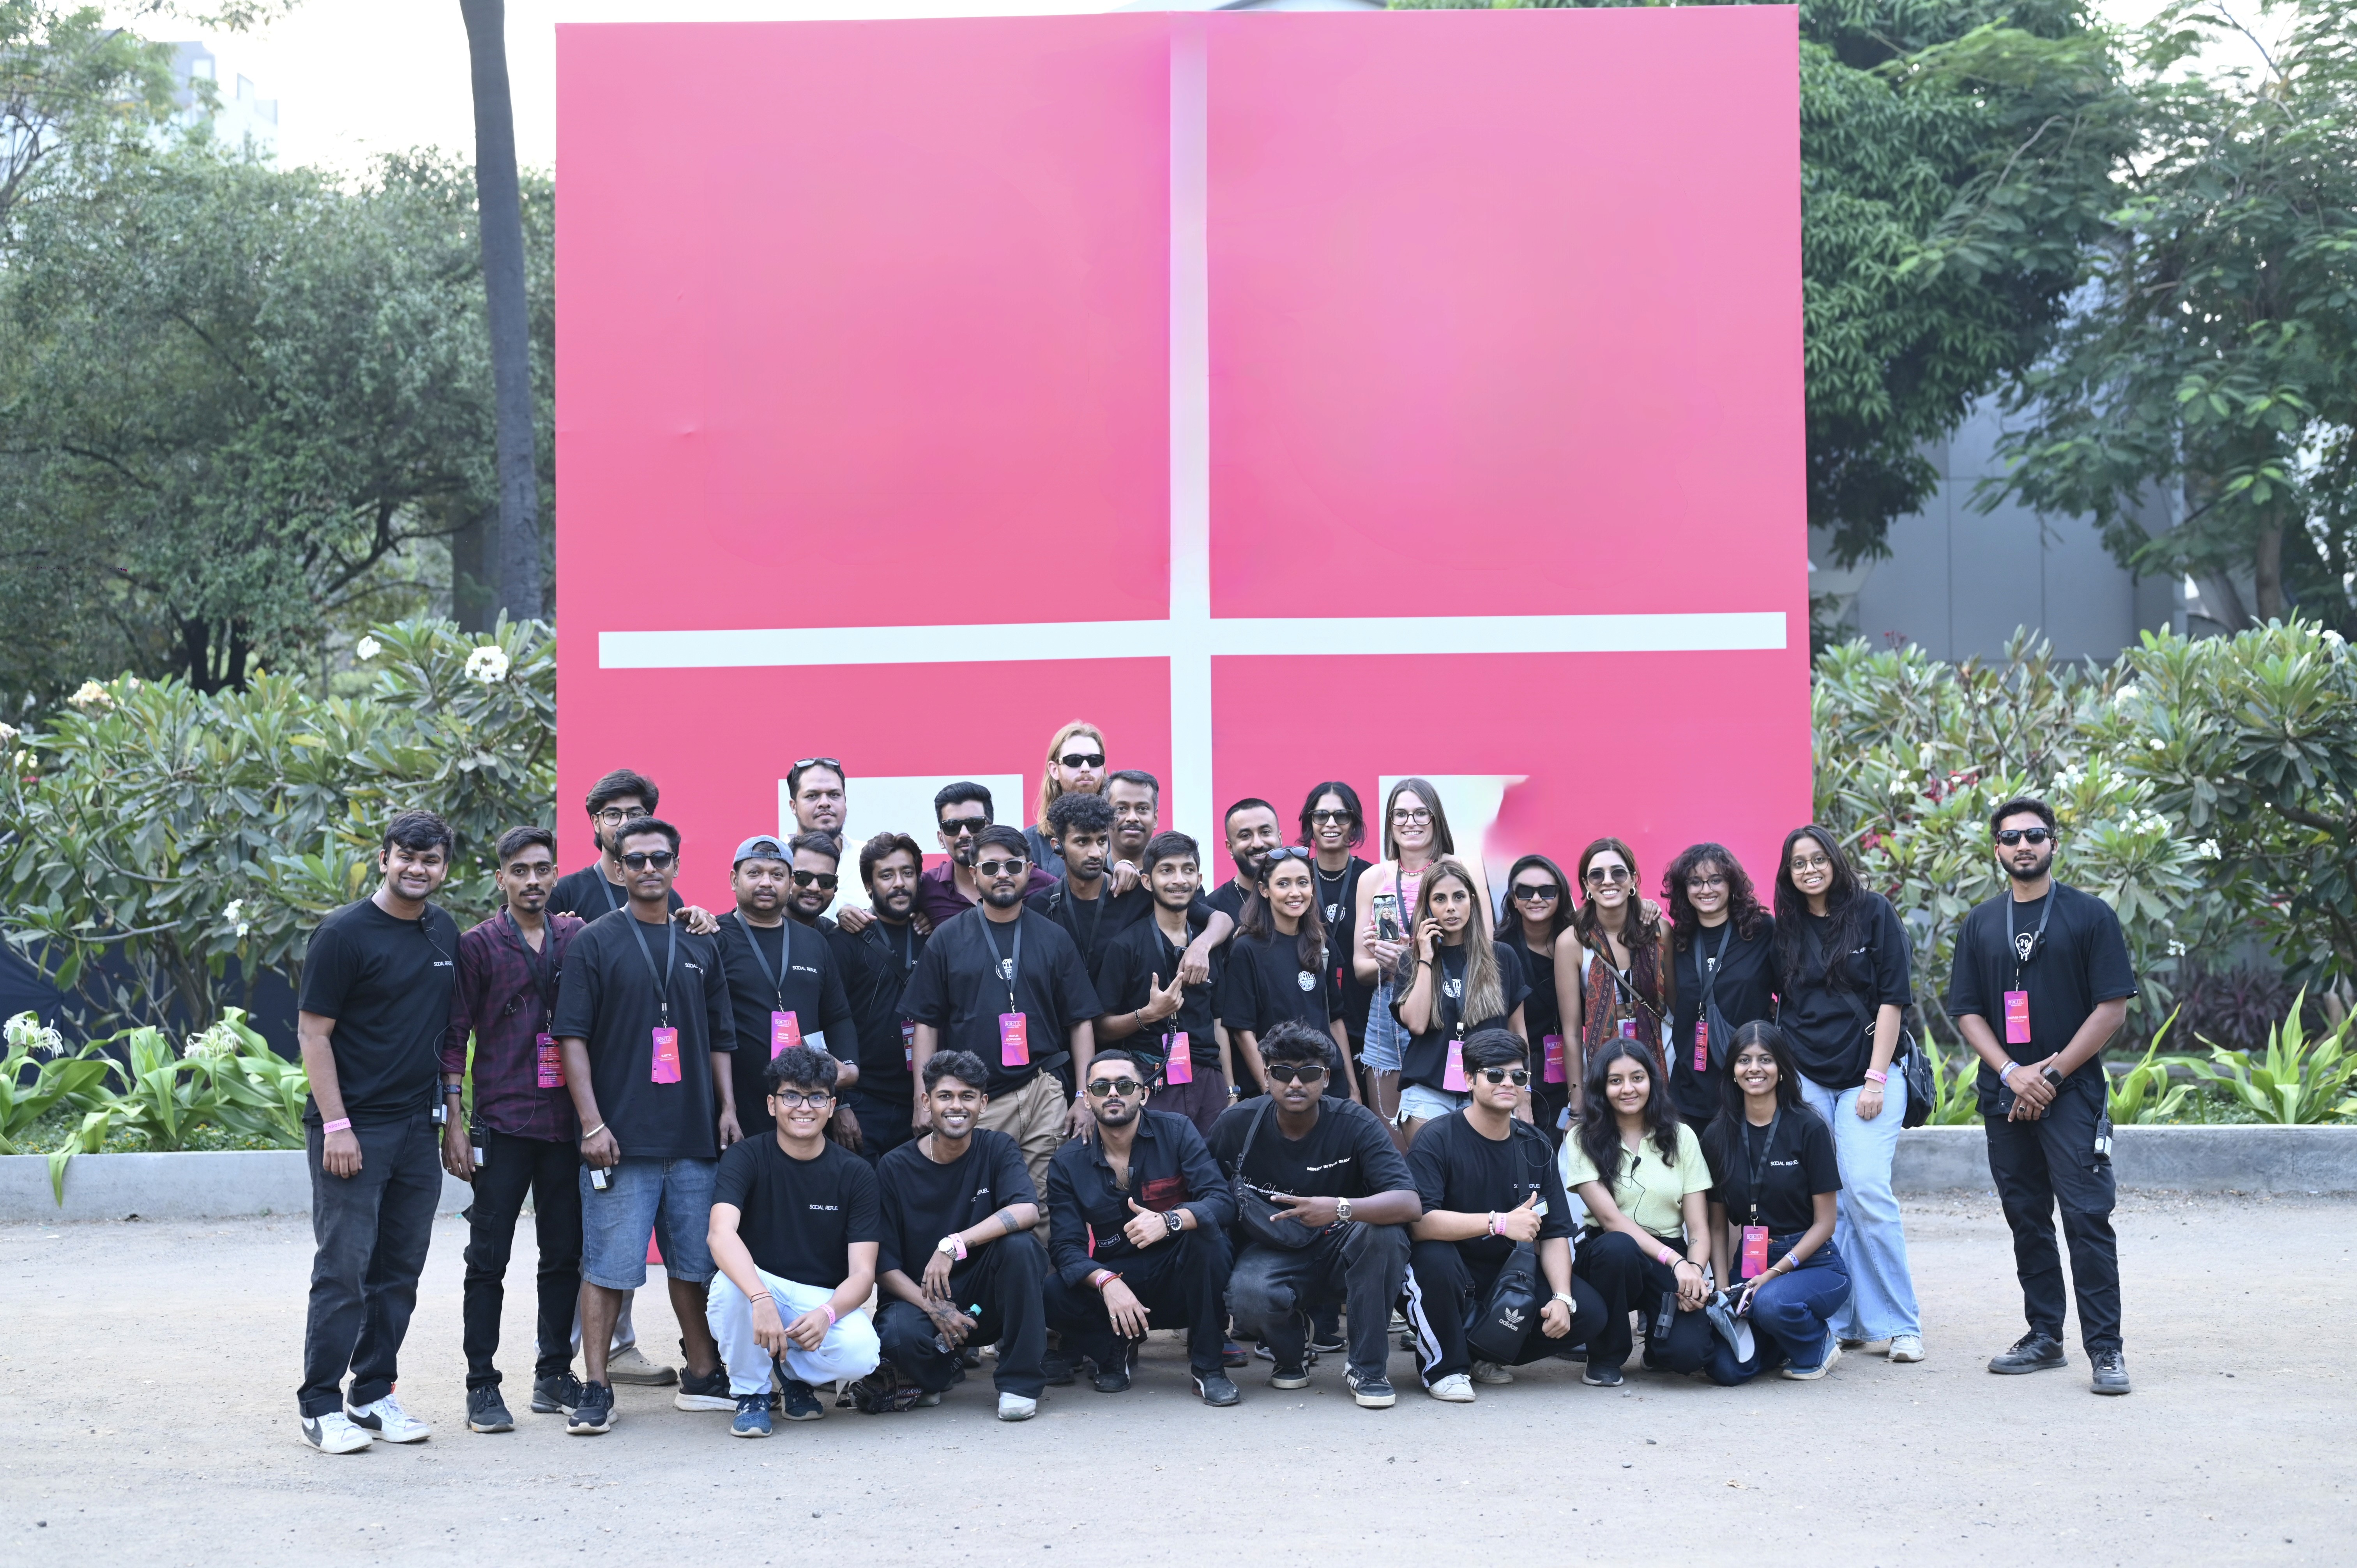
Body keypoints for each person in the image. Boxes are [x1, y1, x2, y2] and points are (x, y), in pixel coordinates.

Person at [551, 816, 742, 1436]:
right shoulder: (596, 942)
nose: (649, 869)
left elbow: (720, 1039)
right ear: (618, 866)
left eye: (660, 859)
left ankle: (705, 1373)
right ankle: (597, 1387)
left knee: (694, 1263)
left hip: (692, 1139)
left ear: (678, 865)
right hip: (620, 1142)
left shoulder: (700, 943)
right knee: (608, 1266)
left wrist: (728, 1109)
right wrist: (591, 1124)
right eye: (636, 860)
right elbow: (571, 1039)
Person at [1947, 796, 2134, 1395]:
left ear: (2054, 843)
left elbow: (2111, 1010)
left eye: (2034, 836)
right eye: (2011, 838)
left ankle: (2106, 1351)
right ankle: (2044, 1337)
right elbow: (1968, 1012)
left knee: (2085, 1218)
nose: (2023, 846)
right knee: (2027, 1218)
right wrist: (2011, 1074)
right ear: (1996, 850)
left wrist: (2049, 1078)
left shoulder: (2090, 916)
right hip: (2006, 1095)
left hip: (2072, 1092)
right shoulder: (1980, 923)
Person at [294, 810, 463, 1453]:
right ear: (385, 857)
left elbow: (448, 1033)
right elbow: (314, 1033)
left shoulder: (442, 929)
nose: (418, 868)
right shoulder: (343, 934)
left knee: (399, 1268)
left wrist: (451, 1117)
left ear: (444, 866)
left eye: (431, 859)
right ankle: (318, 1403)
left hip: (416, 1128)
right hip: (353, 1129)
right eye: (407, 856)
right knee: (343, 1266)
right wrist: (337, 1124)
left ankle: (371, 1393)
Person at [440, 826, 587, 1434]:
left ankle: (553, 1373)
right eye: (520, 871)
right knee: (488, 1259)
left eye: (543, 870)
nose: (533, 881)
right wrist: (455, 1121)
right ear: (500, 879)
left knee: (564, 1255)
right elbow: (453, 1037)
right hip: (501, 1123)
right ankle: (482, 1384)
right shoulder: (478, 946)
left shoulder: (577, 935)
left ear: (556, 875)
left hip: (565, 1125)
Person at [1209, 1020, 1420, 1408]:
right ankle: (1291, 1354)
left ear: (1325, 1078)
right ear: (1267, 1075)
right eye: (1282, 1072)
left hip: (1343, 1244)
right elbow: (1207, 1192)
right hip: (1274, 1246)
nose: (1295, 1084)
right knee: (1247, 1294)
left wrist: (1340, 1208)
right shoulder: (1237, 1125)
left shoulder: (1356, 1123)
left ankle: (1368, 1369)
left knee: (1385, 1233)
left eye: (1308, 1073)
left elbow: (1409, 1203)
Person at [1772, 823, 1924, 1363]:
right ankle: (1847, 1318)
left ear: (1835, 861)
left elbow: (1892, 999)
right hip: (1808, 1074)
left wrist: (1877, 1078)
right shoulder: (1785, 929)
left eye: (1817, 859)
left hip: (1870, 1073)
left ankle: (1903, 1323)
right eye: (1798, 863)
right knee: (1825, 1200)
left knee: (1864, 1189)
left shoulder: (1873, 912)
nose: (1809, 869)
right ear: (1788, 873)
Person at [901, 824, 1102, 1196]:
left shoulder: (1054, 937)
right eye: (991, 868)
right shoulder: (947, 938)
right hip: (976, 1096)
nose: (1003, 875)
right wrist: (923, 1099)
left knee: (1046, 1202)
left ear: (1029, 869)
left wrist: (1084, 1098)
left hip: (1044, 1089)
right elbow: (925, 1022)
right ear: (974, 874)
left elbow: (1080, 1021)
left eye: (1013, 865)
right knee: (980, 1200)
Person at [1402, 1029, 1602, 1402]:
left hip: (1508, 1275)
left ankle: (1483, 1353)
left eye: (1518, 1076)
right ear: (1469, 1079)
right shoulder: (1436, 1138)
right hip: (1448, 1270)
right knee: (1434, 1258)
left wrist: (1561, 1297)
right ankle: (1446, 1367)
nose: (1508, 1083)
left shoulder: (1534, 1142)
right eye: (1495, 1075)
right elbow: (1419, 1223)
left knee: (1588, 1312)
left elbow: (1556, 1230)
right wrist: (1499, 1222)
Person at [1042, 1051, 1241, 1405]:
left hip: (1181, 1276)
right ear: (1087, 1098)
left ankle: (1209, 1367)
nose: (1113, 1094)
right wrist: (1105, 1282)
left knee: (1209, 1240)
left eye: (1125, 1085)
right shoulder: (1067, 1163)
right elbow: (1066, 1248)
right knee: (1053, 1290)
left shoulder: (1177, 1131)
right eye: (1101, 1087)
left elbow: (1222, 1201)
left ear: (1144, 1094)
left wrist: (1170, 1221)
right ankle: (1113, 1351)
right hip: (1118, 1280)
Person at [705, 1047, 885, 1436]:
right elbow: (720, 1233)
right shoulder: (745, 1157)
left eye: (816, 1096)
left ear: (832, 1104)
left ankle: (788, 1373)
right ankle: (751, 1393)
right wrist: (760, 1297)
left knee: (863, 1353)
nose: (803, 1107)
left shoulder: (857, 1173)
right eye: (791, 1096)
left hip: (817, 1299)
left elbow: (863, 1274)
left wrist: (828, 1314)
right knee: (728, 1287)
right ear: (772, 1104)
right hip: (761, 1286)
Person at [871, 1050, 1051, 1421]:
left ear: (983, 1104)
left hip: (988, 1299)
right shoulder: (894, 1166)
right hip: (924, 1299)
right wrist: (934, 1308)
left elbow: (1027, 1211)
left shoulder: (997, 1148)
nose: (957, 1106)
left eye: (968, 1096)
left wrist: (955, 1244)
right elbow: (883, 1264)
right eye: (946, 1096)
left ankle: (1019, 1383)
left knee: (1022, 1248)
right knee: (895, 1335)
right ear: (927, 1102)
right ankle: (940, 1372)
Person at [1697, 1022, 1850, 1384]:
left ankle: (1818, 1341)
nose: (1755, 1069)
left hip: (1812, 1263)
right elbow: (1718, 1224)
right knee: (1725, 1370)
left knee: (1770, 1303)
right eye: (1745, 1060)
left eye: (1765, 1059)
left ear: (1781, 1067)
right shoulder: (1717, 1135)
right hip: (1749, 1266)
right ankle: (1781, 1342)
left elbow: (1826, 1223)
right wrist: (1722, 1289)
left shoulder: (1808, 1127)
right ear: (1733, 1070)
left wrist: (1774, 1272)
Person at [1559, 1037, 1716, 1386]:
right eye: (1616, 1081)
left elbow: (1699, 1228)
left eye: (1637, 1078)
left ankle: (1657, 1351)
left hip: (1670, 1252)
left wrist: (1693, 1271)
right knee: (1620, 1248)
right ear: (1602, 1087)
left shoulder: (1682, 1136)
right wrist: (1677, 1264)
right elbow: (1612, 1221)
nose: (1627, 1089)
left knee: (1688, 1356)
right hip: (1606, 1252)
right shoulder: (1582, 1137)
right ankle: (1605, 1356)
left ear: (1652, 1082)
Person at [1353, 779, 1485, 1141]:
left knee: (1459, 1144)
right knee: (1396, 1152)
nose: (1410, 822)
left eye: (1420, 813)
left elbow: (1484, 951)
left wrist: (1414, 961)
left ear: (1436, 818)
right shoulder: (1372, 878)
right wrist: (1385, 961)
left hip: (1451, 1012)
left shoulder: (1460, 868)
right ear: (1389, 822)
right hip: (1388, 1018)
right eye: (1400, 814)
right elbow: (1360, 968)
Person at [715, 833, 859, 1140]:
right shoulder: (712, 938)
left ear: (790, 882)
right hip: (738, 1108)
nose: (766, 883)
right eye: (754, 873)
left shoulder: (815, 942)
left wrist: (850, 1069)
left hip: (806, 1106)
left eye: (777, 875)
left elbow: (837, 1016)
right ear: (733, 879)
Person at [1094, 830, 1231, 1135]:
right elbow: (1101, 1028)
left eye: (1188, 870)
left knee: (1212, 1176)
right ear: (1147, 881)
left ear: (1200, 879)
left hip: (1209, 1082)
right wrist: (1149, 1015)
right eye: (1167, 870)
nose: (1179, 880)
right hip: (1149, 1078)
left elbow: (1219, 1020)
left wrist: (1230, 1090)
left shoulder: (1209, 946)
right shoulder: (1125, 946)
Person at [1390, 857, 1527, 1139]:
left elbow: (1517, 1032)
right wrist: (1426, 958)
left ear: (1472, 901)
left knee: (1487, 1179)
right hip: (1429, 1092)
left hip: (1492, 1086)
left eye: (1459, 897)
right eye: (1440, 899)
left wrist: (1524, 1094)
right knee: (1433, 1180)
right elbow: (1416, 1024)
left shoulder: (1502, 957)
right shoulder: (1410, 962)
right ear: (1427, 907)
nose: (1451, 907)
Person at [1028, 791, 1228, 975]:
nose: (1096, 853)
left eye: (1102, 841)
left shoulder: (1139, 891)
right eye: (1083, 842)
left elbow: (1221, 920)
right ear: (1057, 846)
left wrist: (1201, 946)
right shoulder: (1040, 906)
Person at [1219, 846, 1360, 1101]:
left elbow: (1335, 1020)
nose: (1295, 893)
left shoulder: (1322, 943)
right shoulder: (1246, 949)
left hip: (1327, 1085)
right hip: (1281, 1087)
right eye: (1283, 884)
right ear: (1265, 890)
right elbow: (1243, 1032)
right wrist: (1271, 1088)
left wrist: (1353, 1089)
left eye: (1303, 883)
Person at [825, 832, 929, 1165]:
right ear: (869, 886)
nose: (899, 883)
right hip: (861, 1105)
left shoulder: (936, 935)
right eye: (887, 875)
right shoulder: (845, 940)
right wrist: (839, 1104)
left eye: (908, 873)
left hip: (922, 1104)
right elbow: (826, 1022)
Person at [1663, 842, 1777, 1127]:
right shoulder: (1677, 938)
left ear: (1731, 885)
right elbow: (1675, 1002)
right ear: (1683, 889)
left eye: (1716, 880)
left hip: (1751, 1085)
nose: (1706, 890)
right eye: (1695, 882)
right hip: (1692, 1088)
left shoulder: (1761, 930)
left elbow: (1787, 992)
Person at [1560, 837, 1672, 1084]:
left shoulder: (1658, 929)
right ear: (1586, 884)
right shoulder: (1571, 942)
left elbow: (1677, 1004)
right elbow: (1571, 1032)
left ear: (1632, 879)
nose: (1608, 881)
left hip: (1663, 1048)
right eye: (1597, 875)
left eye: (1619, 873)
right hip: (1604, 1056)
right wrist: (1576, 1100)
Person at [548, 767, 714, 931]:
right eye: (613, 815)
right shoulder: (564, 893)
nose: (624, 824)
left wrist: (695, 923)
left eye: (635, 814)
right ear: (596, 823)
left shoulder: (668, 896)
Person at [1299, 782, 1375, 1074]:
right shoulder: (1295, 879)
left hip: (1365, 1018)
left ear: (1353, 823)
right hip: (1311, 1020)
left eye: (1341, 816)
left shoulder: (1373, 879)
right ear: (1310, 822)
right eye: (1321, 816)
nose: (1331, 824)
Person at [1500, 853, 1576, 1142]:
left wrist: (1646, 908)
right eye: (1525, 891)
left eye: (1547, 891)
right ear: (1513, 899)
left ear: (1561, 895)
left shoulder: (1579, 941)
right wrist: (1522, 1093)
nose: (1536, 899)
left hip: (1571, 1069)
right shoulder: (1500, 949)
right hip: (1522, 1072)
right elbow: (1508, 1030)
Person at [917, 781, 1057, 928]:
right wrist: (913, 921)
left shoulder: (1041, 883)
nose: (964, 834)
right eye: (952, 826)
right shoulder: (925, 888)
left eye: (975, 824)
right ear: (941, 838)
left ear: (991, 829)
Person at [1025, 720, 1108, 880]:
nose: (1085, 768)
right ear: (1055, 770)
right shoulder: (1029, 843)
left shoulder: (1120, 834)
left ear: (1102, 769)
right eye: (1074, 761)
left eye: (1095, 761)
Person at [1205, 796, 1285, 920]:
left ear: (1280, 838)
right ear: (1230, 848)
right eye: (1246, 836)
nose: (1258, 844)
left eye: (1265, 832)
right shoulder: (1212, 909)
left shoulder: (1301, 899)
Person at [1104, 768, 1164, 877]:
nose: (1132, 818)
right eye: (1121, 809)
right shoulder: (1088, 878)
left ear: (1155, 818)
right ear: (1106, 817)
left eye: (1142, 809)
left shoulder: (1175, 880)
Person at [785, 757, 848, 839]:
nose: (825, 803)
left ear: (845, 801)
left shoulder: (864, 851)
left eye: (834, 795)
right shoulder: (777, 852)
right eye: (812, 796)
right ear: (794, 806)